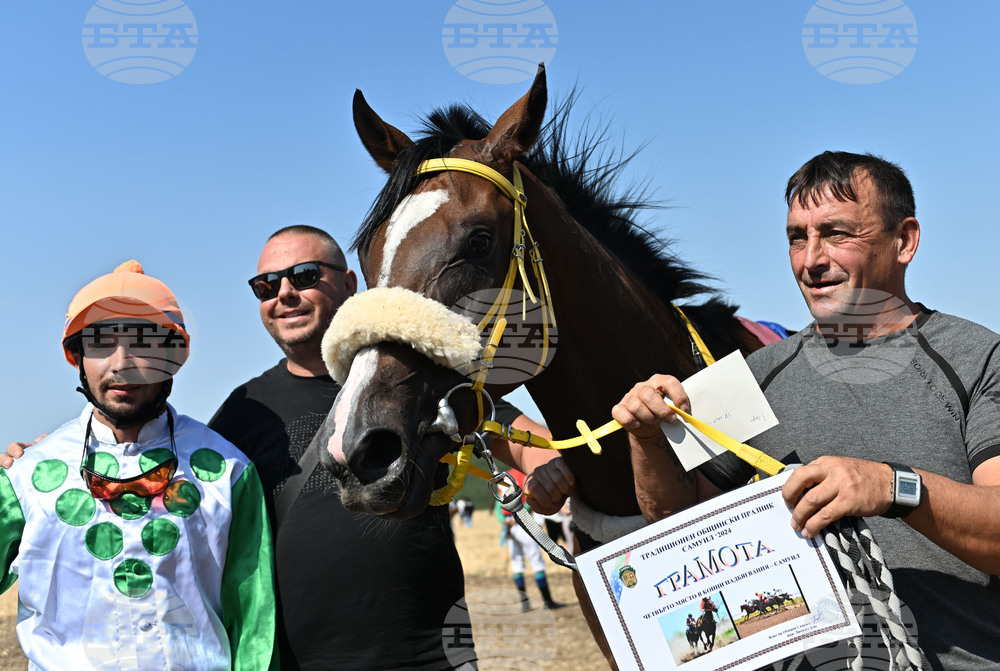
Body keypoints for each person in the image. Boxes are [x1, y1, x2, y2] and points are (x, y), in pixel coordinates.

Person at [613, 151, 1000, 671]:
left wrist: (891, 487)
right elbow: (676, 523)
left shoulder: (979, 358)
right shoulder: (752, 376)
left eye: (837, 233)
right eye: (798, 237)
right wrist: (647, 438)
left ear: (904, 240)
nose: (811, 259)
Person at [208, 225, 574, 669]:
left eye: (303, 276)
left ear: (348, 284)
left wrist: (549, 470)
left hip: (432, 657)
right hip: (301, 663)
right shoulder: (243, 414)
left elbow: (528, 442)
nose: (283, 293)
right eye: (266, 285)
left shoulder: (413, 378)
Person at [0, 261, 276, 670]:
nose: (122, 362)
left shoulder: (228, 471)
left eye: (144, 344)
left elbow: (255, 625)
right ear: (76, 356)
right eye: (101, 343)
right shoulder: (25, 478)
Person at [495, 467, 565, 612]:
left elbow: (498, 504)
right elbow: (527, 498)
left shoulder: (503, 477)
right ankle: (548, 601)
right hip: (522, 522)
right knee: (536, 561)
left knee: (517, 564)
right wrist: (520, 513)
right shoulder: (521, 474)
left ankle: (525, 604)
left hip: (509, 525)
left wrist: (504, 520)